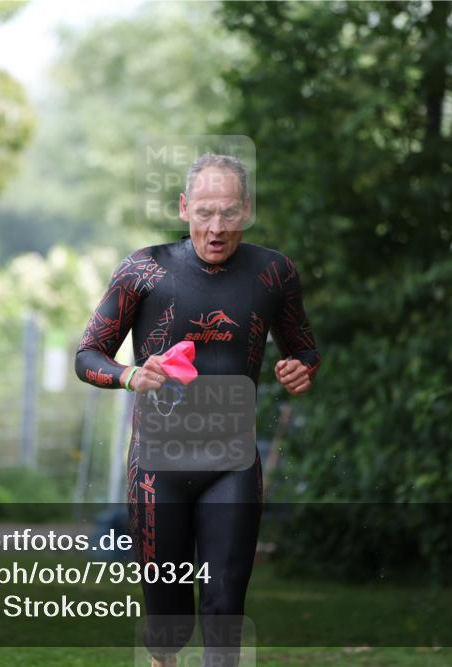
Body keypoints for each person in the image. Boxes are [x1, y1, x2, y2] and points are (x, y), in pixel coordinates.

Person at [75, 153, 320, 667]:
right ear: (184, 207)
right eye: (205, 212)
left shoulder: (273, 273)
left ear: (247, 211)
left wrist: (301, 367)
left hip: (232, 463)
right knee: (169, 626)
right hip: (157, 469)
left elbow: (304, 349)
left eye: (229, 214)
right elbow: (87, 354)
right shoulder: (144, 270)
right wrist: (129, 374)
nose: (216, 228)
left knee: (224, 608)